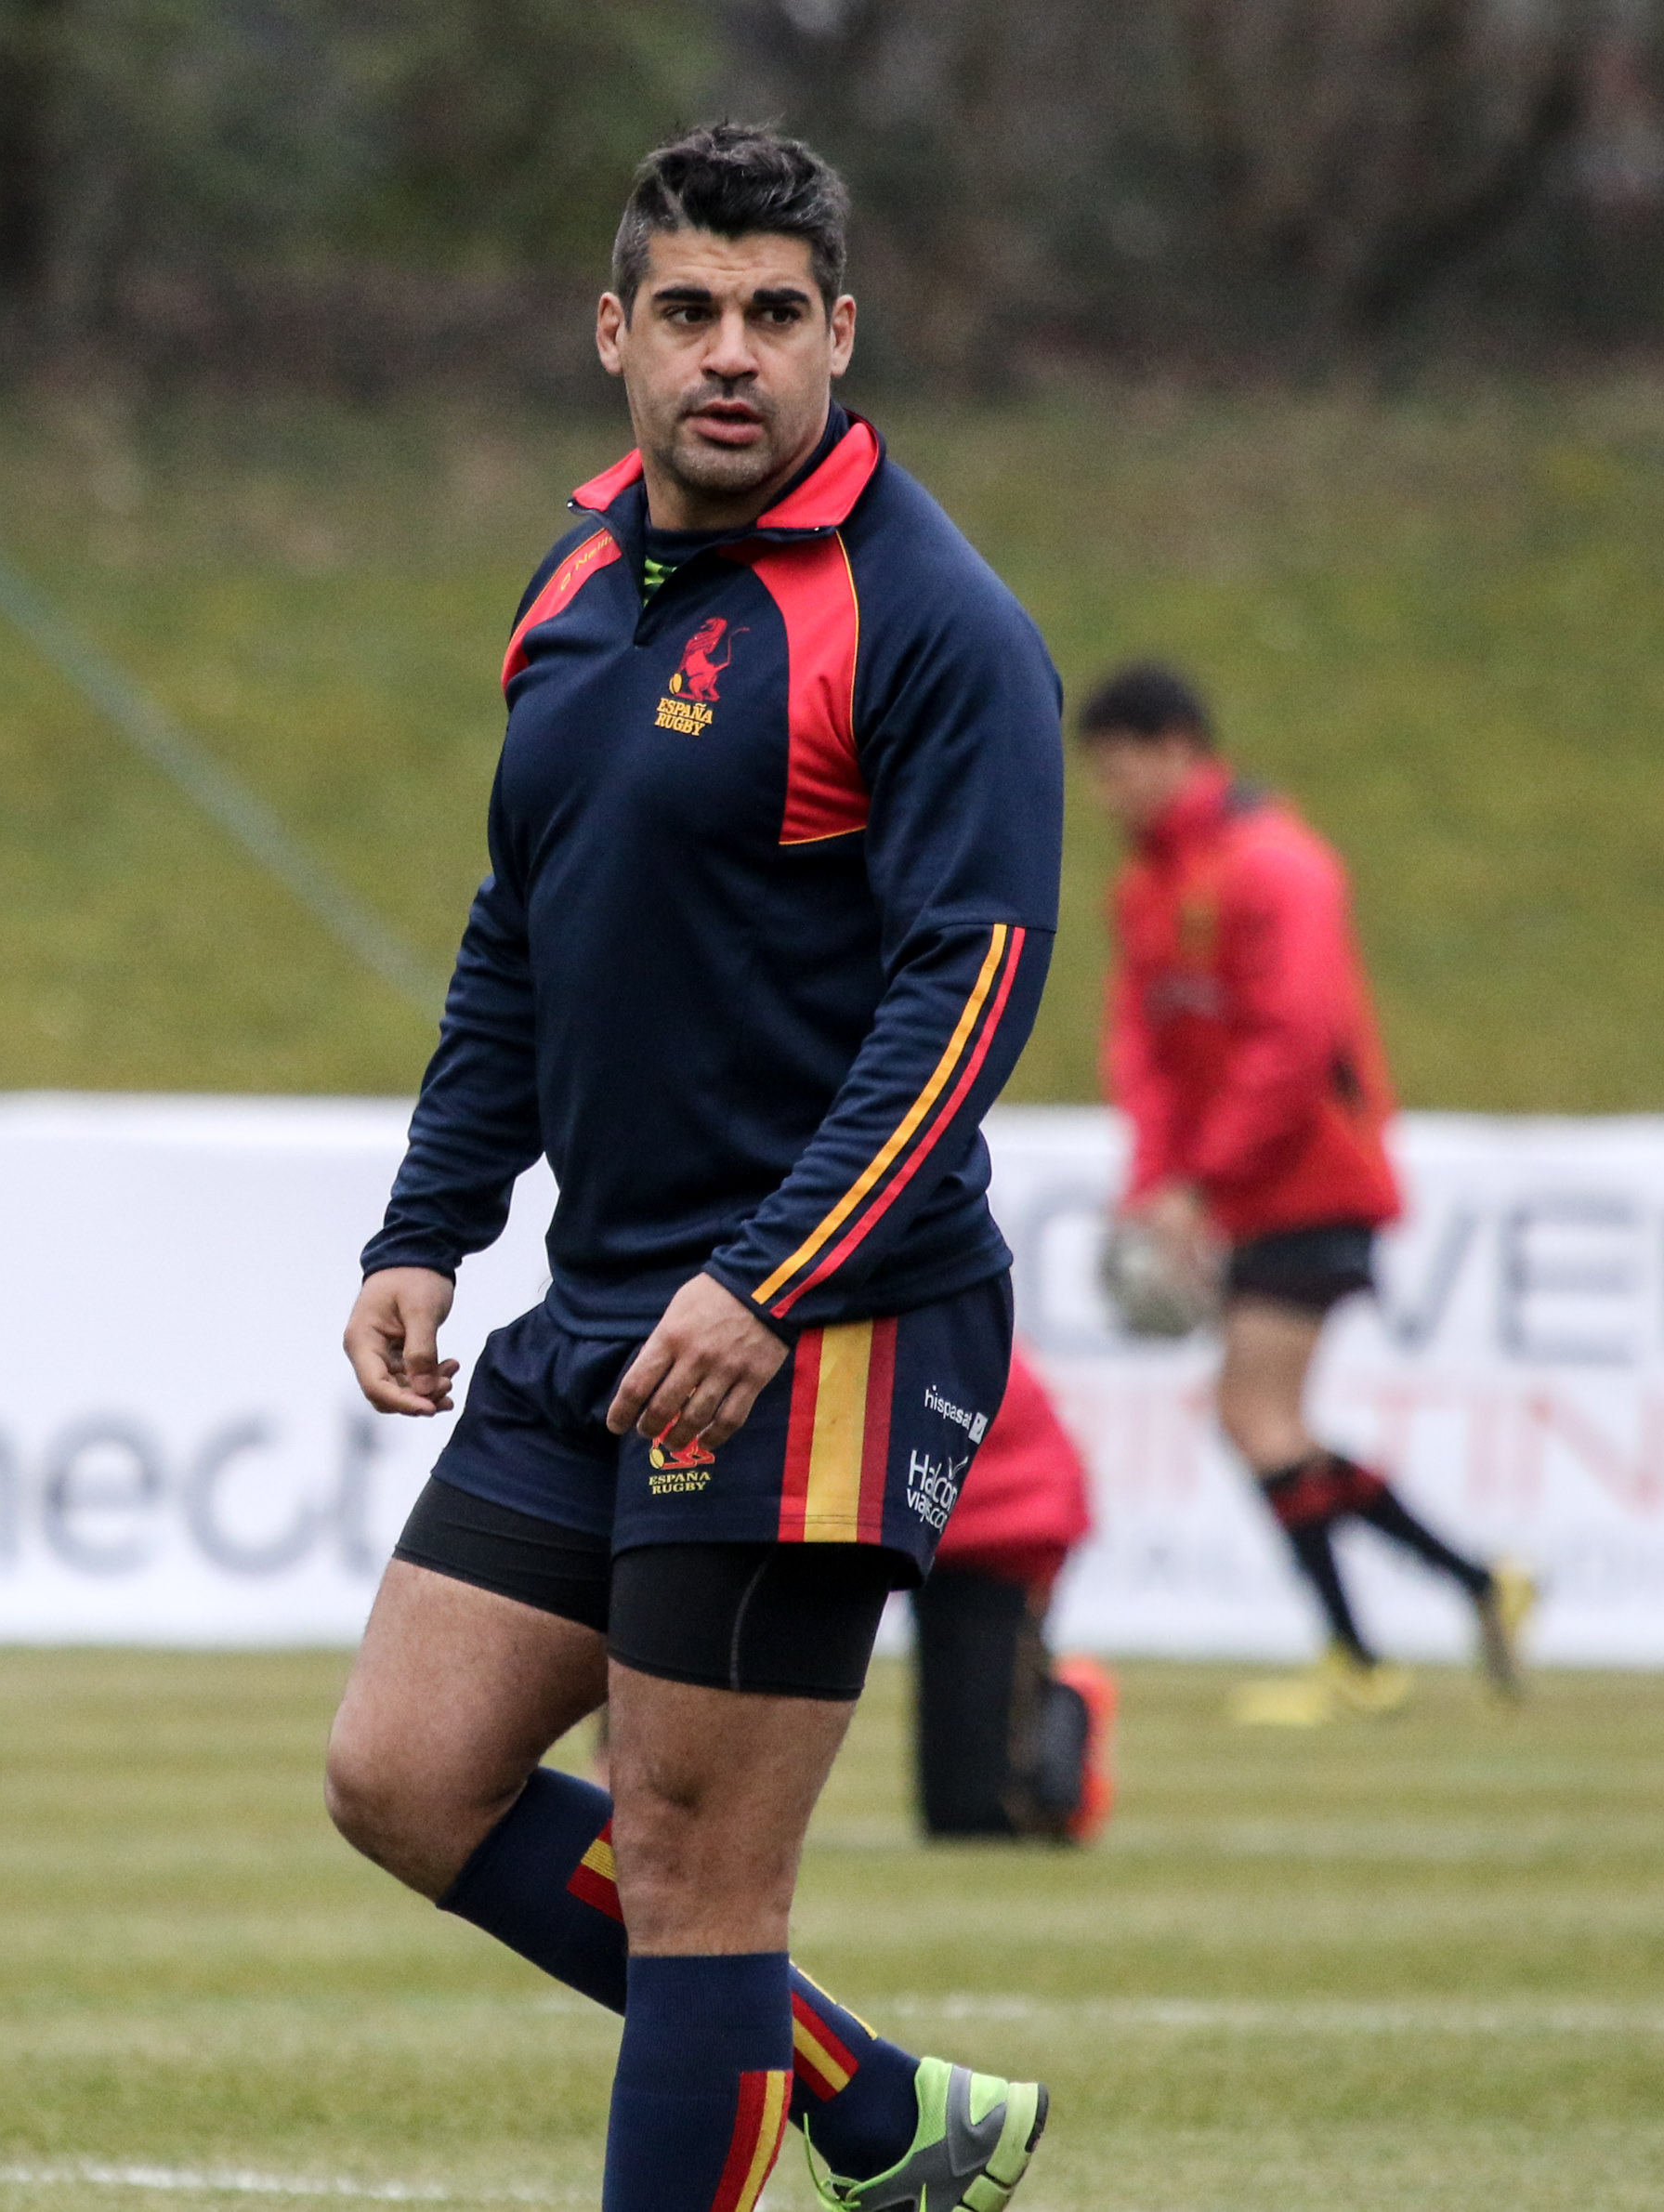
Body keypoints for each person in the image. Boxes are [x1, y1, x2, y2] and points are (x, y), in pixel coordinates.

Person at [326, 125, 1064, 2212]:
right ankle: (880, 2107)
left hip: (822, 1324)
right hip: (610, 1306)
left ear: (840, 334)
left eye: (770, 313)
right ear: (612, 334)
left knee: (696, 1872)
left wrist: (765, 1280)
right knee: (404, 1774)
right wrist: (429, 1222)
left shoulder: (930, 620)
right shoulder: (574, 580)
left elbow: (970, 988)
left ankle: (848, 2108)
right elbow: (521, 926)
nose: (726, 353)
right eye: (685, 311)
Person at [1075, 661, 1533, 1723]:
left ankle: (1364, 1655)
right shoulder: (1145, 884)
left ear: (1179, 748)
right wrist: (1155, 1185)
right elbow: (1144, 1050)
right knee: (1264, 1417)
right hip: (1238, 1190)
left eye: (1119, 767)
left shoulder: (1277, 865)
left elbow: (1291, 1044)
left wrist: (1198, 1182)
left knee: (1252, 1412)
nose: (1107, 793)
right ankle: (1469, 1585)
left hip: (1314, 1179)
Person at [911, 1352, 1112, 1842]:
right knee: (957, 1808)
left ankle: (1066, 1729)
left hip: (1006, 1522)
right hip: (971, 1517)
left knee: (987, 1807)